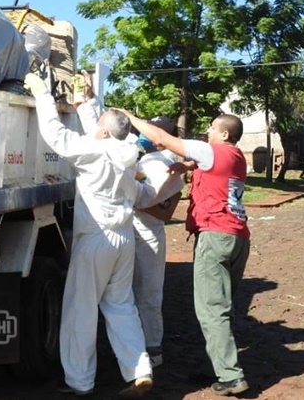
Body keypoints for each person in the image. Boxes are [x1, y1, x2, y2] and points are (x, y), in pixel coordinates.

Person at [24, 71, 153, 399]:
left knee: (81, 309)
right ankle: (139, 370)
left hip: (95, 238)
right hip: (124, 238)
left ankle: (80, 381)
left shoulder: (92, 151)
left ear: (103, 132)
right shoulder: (126, 151)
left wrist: (42, 95)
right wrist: (87, 102)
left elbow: (56, 135)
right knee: (122, 306)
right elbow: (102, 129)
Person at [124, 111, 251, 397]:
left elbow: (160, 138)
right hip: (238, 236)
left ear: (225, 135)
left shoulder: (213, 151)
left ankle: (231, 376)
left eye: (212, 128)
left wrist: (127, 116)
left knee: (210, 309)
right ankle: (216, 366)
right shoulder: (236, 156)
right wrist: (188, 166)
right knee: (223, 306)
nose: (208, 131)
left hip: (216, 235)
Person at [131, 116, 184, 368]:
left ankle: (152, 349)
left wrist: (123, 180)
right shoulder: (152, 159)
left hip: (147, 235)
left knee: (148, 294)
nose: (144, 136)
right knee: (136, 293)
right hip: (137, 232)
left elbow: (144, 200)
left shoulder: (162, 163)